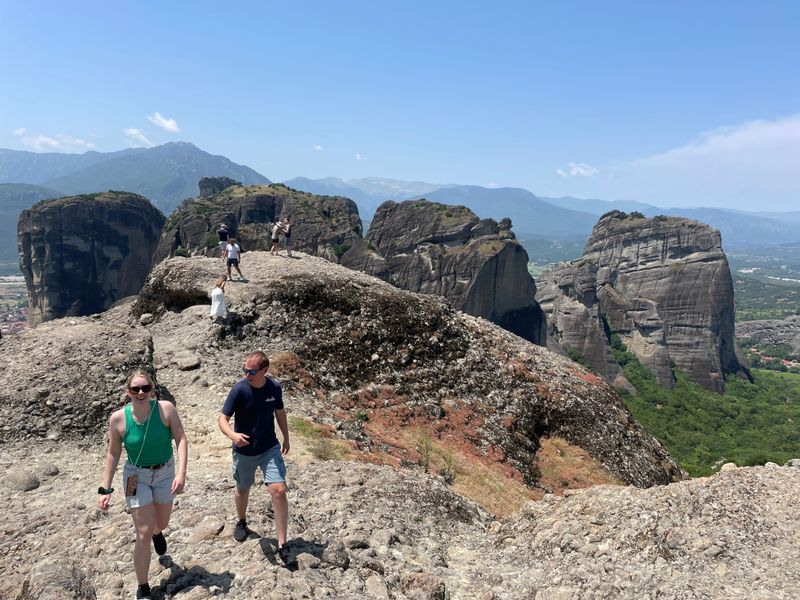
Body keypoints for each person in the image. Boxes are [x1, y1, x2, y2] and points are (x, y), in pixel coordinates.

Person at [98, 371, 188, 600]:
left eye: (145, 388)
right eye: (135, 389)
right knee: (142, 532)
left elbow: (181, 438)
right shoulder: (118, 418)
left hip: (165, 472)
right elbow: (113, 453)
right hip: (134, 477)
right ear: (128, 392)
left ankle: (159, 532)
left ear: (152, 389)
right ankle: (143, 586)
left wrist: (181, 473)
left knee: (161, 522)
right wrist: (105, 488)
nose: (140, 393)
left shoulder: (166, 409)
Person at [218, 351, 291, 563]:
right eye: (245, 370)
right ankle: (241, 521)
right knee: (242, 488)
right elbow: (223, 418)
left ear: (264, 370)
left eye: (251, 371)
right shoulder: (239, 389)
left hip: (269, 447)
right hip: (244, 451)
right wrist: (232, 434)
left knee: (278, 489)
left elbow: (279, 412)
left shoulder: (274, 388)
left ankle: (282, 543)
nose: (247, 374)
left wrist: (286, 436)